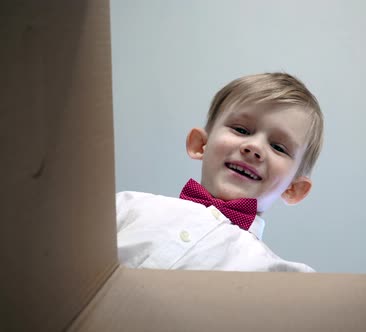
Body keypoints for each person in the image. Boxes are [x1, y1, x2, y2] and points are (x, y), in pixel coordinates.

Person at [116, 72, 324, 272]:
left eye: (278, 147)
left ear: (293, 189)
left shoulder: (280, 279)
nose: (255, 147)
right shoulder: (126, 207)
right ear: (200, 144)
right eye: (241, 130)